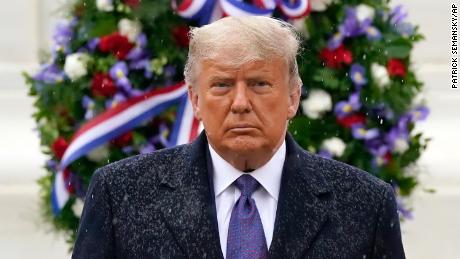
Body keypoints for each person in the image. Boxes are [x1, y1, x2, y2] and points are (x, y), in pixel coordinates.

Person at [72, 16, 405, 259]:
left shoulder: (364, 204)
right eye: (222, 85)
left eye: (260, 84)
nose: (241, 103)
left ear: (293, 98)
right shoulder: (120, 193)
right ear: (195, 100)